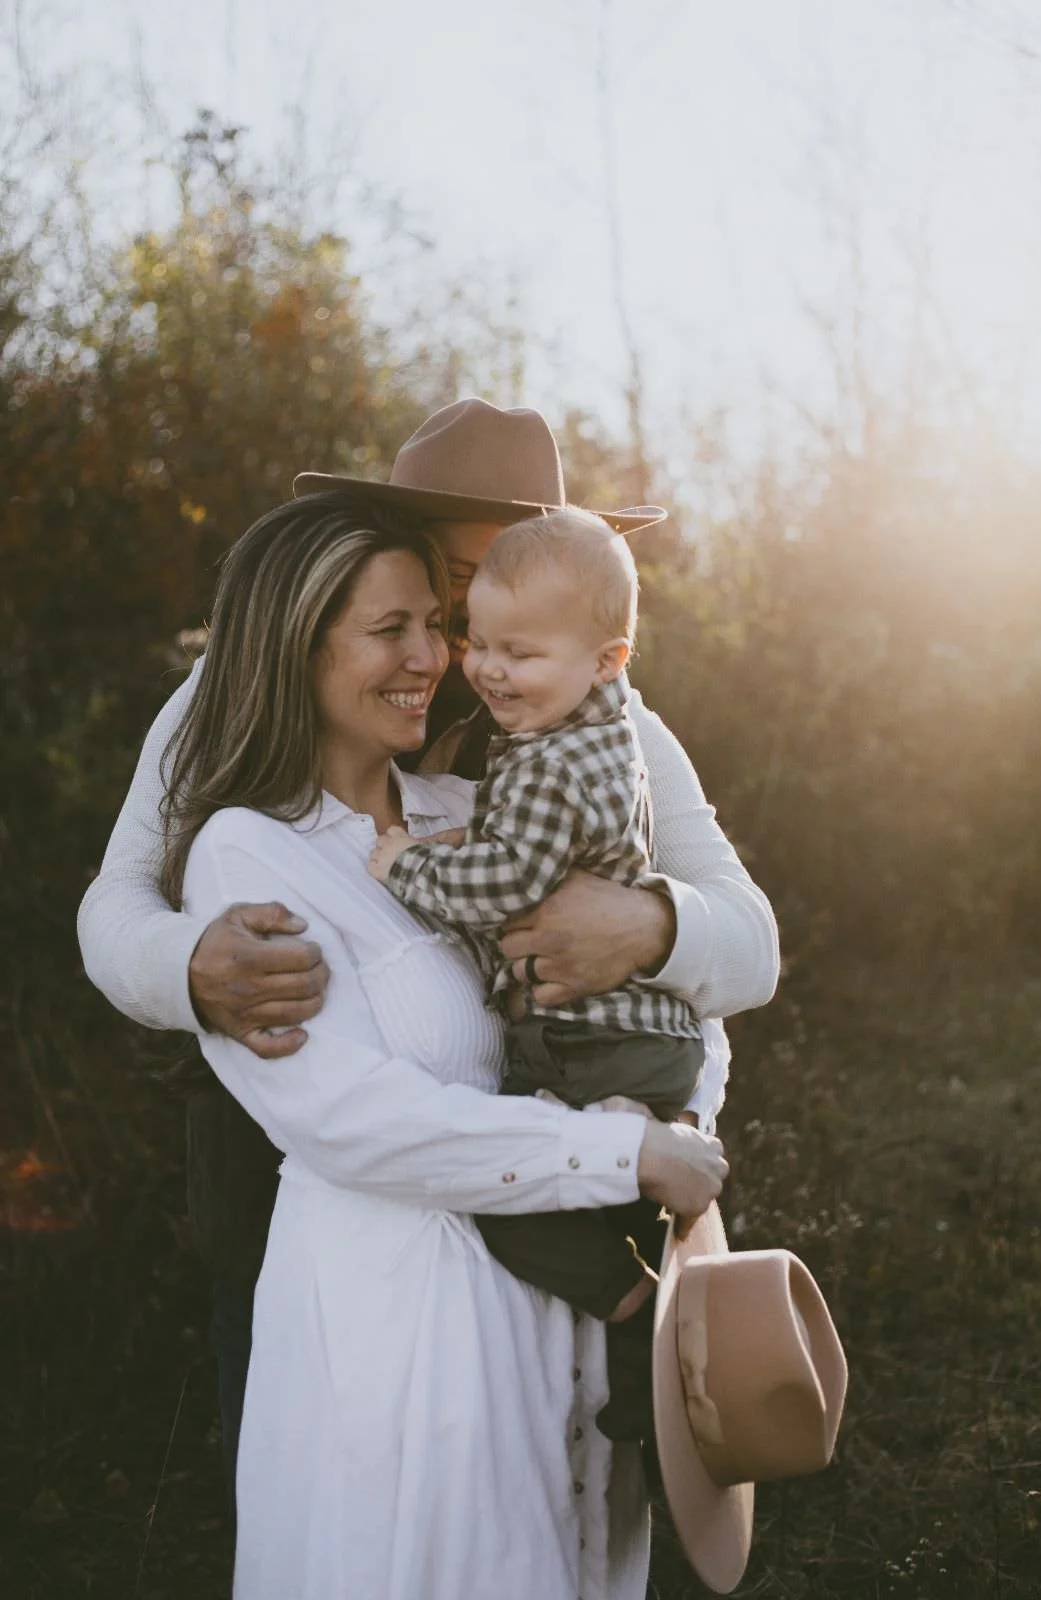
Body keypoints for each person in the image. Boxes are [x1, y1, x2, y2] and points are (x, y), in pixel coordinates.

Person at [77, 397, 780, 1502]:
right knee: (320, 1464)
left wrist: (650, 925)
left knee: (552, 1472)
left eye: (505, 567)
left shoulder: (611, 718)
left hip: (540, 1148)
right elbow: (117, 893)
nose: (465, 616)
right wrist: (187, 967)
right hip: (298, 1148)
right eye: (454, 573)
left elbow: (752, 941)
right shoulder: (242, 681)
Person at [163, 493, 730, 1598]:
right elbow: (351, 1119)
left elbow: (676, 994)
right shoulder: (249, 852)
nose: (434, 658)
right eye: (392, 630)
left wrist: (680, 1113)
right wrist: (622, 1155)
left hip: (562, 1329)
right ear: (297, 646)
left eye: (438, 624)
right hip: (398, 1340)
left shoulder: (473, 806)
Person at [369, 508, 705, 1443]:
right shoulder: (597, 730)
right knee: (608, 1205)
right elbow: (536, 847)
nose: (486, 669)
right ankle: (656, 1380)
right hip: (639, 1038)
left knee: (511, 1202)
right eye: (476, 639)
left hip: (592, 1041)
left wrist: (406, 865)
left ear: (608, 659)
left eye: (520, 653)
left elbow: (511, 880)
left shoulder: (549, 761)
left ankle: (642, 1311)